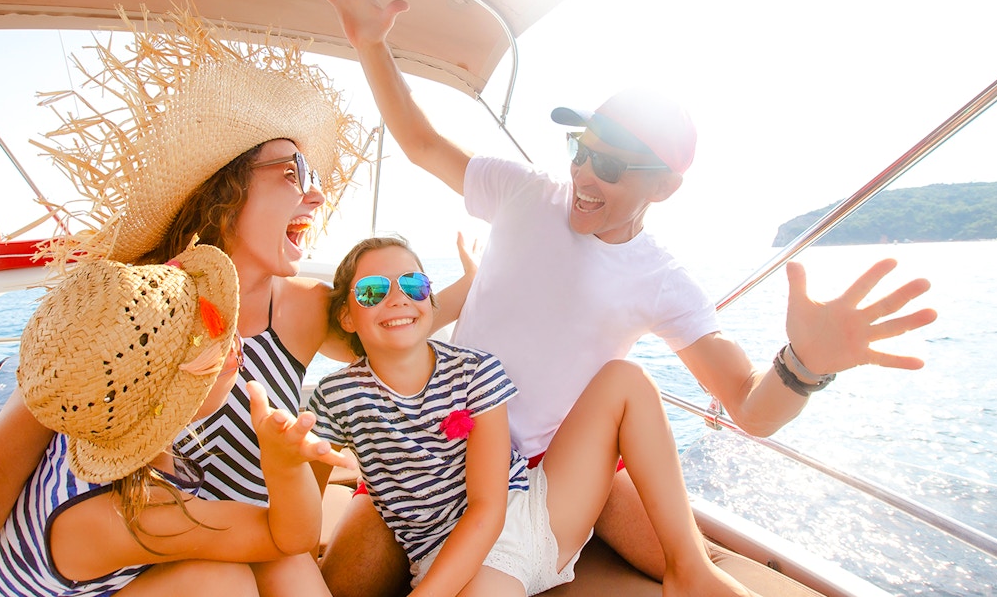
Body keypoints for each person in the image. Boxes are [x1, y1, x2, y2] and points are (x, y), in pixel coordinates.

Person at [313, 0, 939, 596]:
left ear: (663, 188)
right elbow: (419, 141)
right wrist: (368, 43)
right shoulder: (526, 192)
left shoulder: (660, 279)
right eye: (581, 149)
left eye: (610, 164)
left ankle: (686, 568)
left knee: (633, 405)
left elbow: (751, 409)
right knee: (339, 580)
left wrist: (805, 364)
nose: (583, 172)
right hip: (434, 450)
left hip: (541, 474)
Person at [0, 6, 473, 591]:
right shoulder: (132, 314)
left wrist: (476, 284)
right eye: (294, 170)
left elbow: (392, 322)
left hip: (243, 535)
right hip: (149, 556)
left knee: (309, 551)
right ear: (225, 193)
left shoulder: (305, 308)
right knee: (226, 579)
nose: (319, 194)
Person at [308, 236, 752, 596]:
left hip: (532, 513)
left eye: (413, 285)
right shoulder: (335, 397)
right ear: (347, 315)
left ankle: (690, 570)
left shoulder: (475, 371)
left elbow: (488, 507)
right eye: (372, 291)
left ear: (429, 296)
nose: (397, 300)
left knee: (625, 380)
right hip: (454, 558)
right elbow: (306, 511)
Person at [0, 241, 352, 596]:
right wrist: (282, 463)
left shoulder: (96, 427)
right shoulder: (136, 515)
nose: (235, 336)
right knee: (220, 584)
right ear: (169, 395)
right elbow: (287, 537)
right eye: (215, 330)